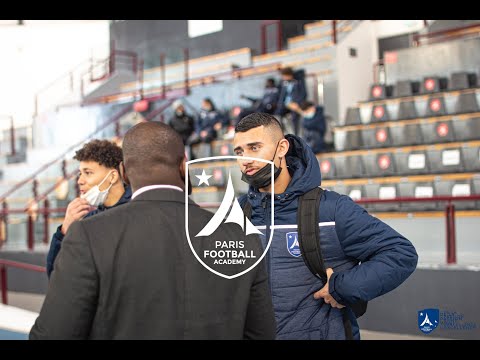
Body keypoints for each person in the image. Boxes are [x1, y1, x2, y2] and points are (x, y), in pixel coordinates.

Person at [30, 122, 276, 340]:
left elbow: (54, 333)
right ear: (183, 166)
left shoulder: (89, 235)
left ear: (124, 172)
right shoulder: (243, 237)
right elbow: (261, 333)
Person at [233, 113, 418, 340]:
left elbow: (400, 253)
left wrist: (344, 287)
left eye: (254, 148)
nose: (245, 160)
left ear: (281, 148)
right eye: (239, 152)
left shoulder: (332, 210)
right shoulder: (237, 213)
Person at [46, 139, 131, 278]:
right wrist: (65, 230)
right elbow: (56, 276)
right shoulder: (88, 221)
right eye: (80, 173)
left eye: (88, 173)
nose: (80, 180)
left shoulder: (138, 209)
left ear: (113, 176)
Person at [274, 67, 307, 136]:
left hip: (295, 104)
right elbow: (281, 96)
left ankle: (296, 134)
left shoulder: (298, 82)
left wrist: (297, 103)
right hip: (285, 104)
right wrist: (279, 105)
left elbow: (303, 94)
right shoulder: (283, 83)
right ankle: (281, 134)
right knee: (277, 115)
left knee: (295, 117)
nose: (283, 78)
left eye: (285, 76)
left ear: (289, 75)